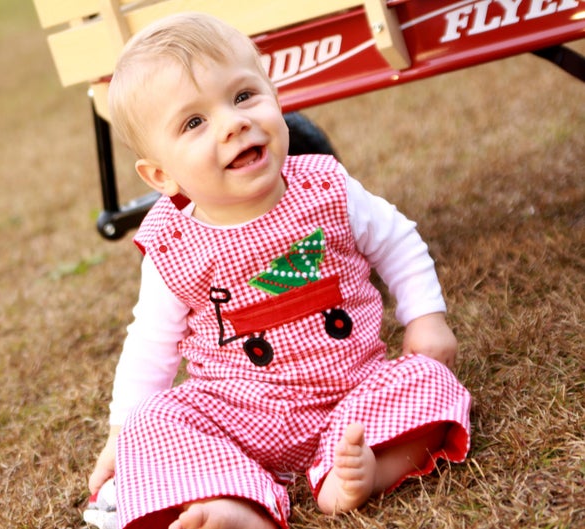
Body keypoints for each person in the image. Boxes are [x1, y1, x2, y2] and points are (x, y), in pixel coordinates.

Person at [88, 12, 471, 529]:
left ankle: (366, 471)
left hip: (355, 395)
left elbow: (396, 240)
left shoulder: (323, 187)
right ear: (160, 174)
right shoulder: (173, 242)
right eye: (194, 123)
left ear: (274, 94)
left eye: (244, 96)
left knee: (430, 378)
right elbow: (150, 346)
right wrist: (121, 434)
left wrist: (426, 317)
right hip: (238, 417)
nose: (233, 122)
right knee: (153, 422)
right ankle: (238, 505)